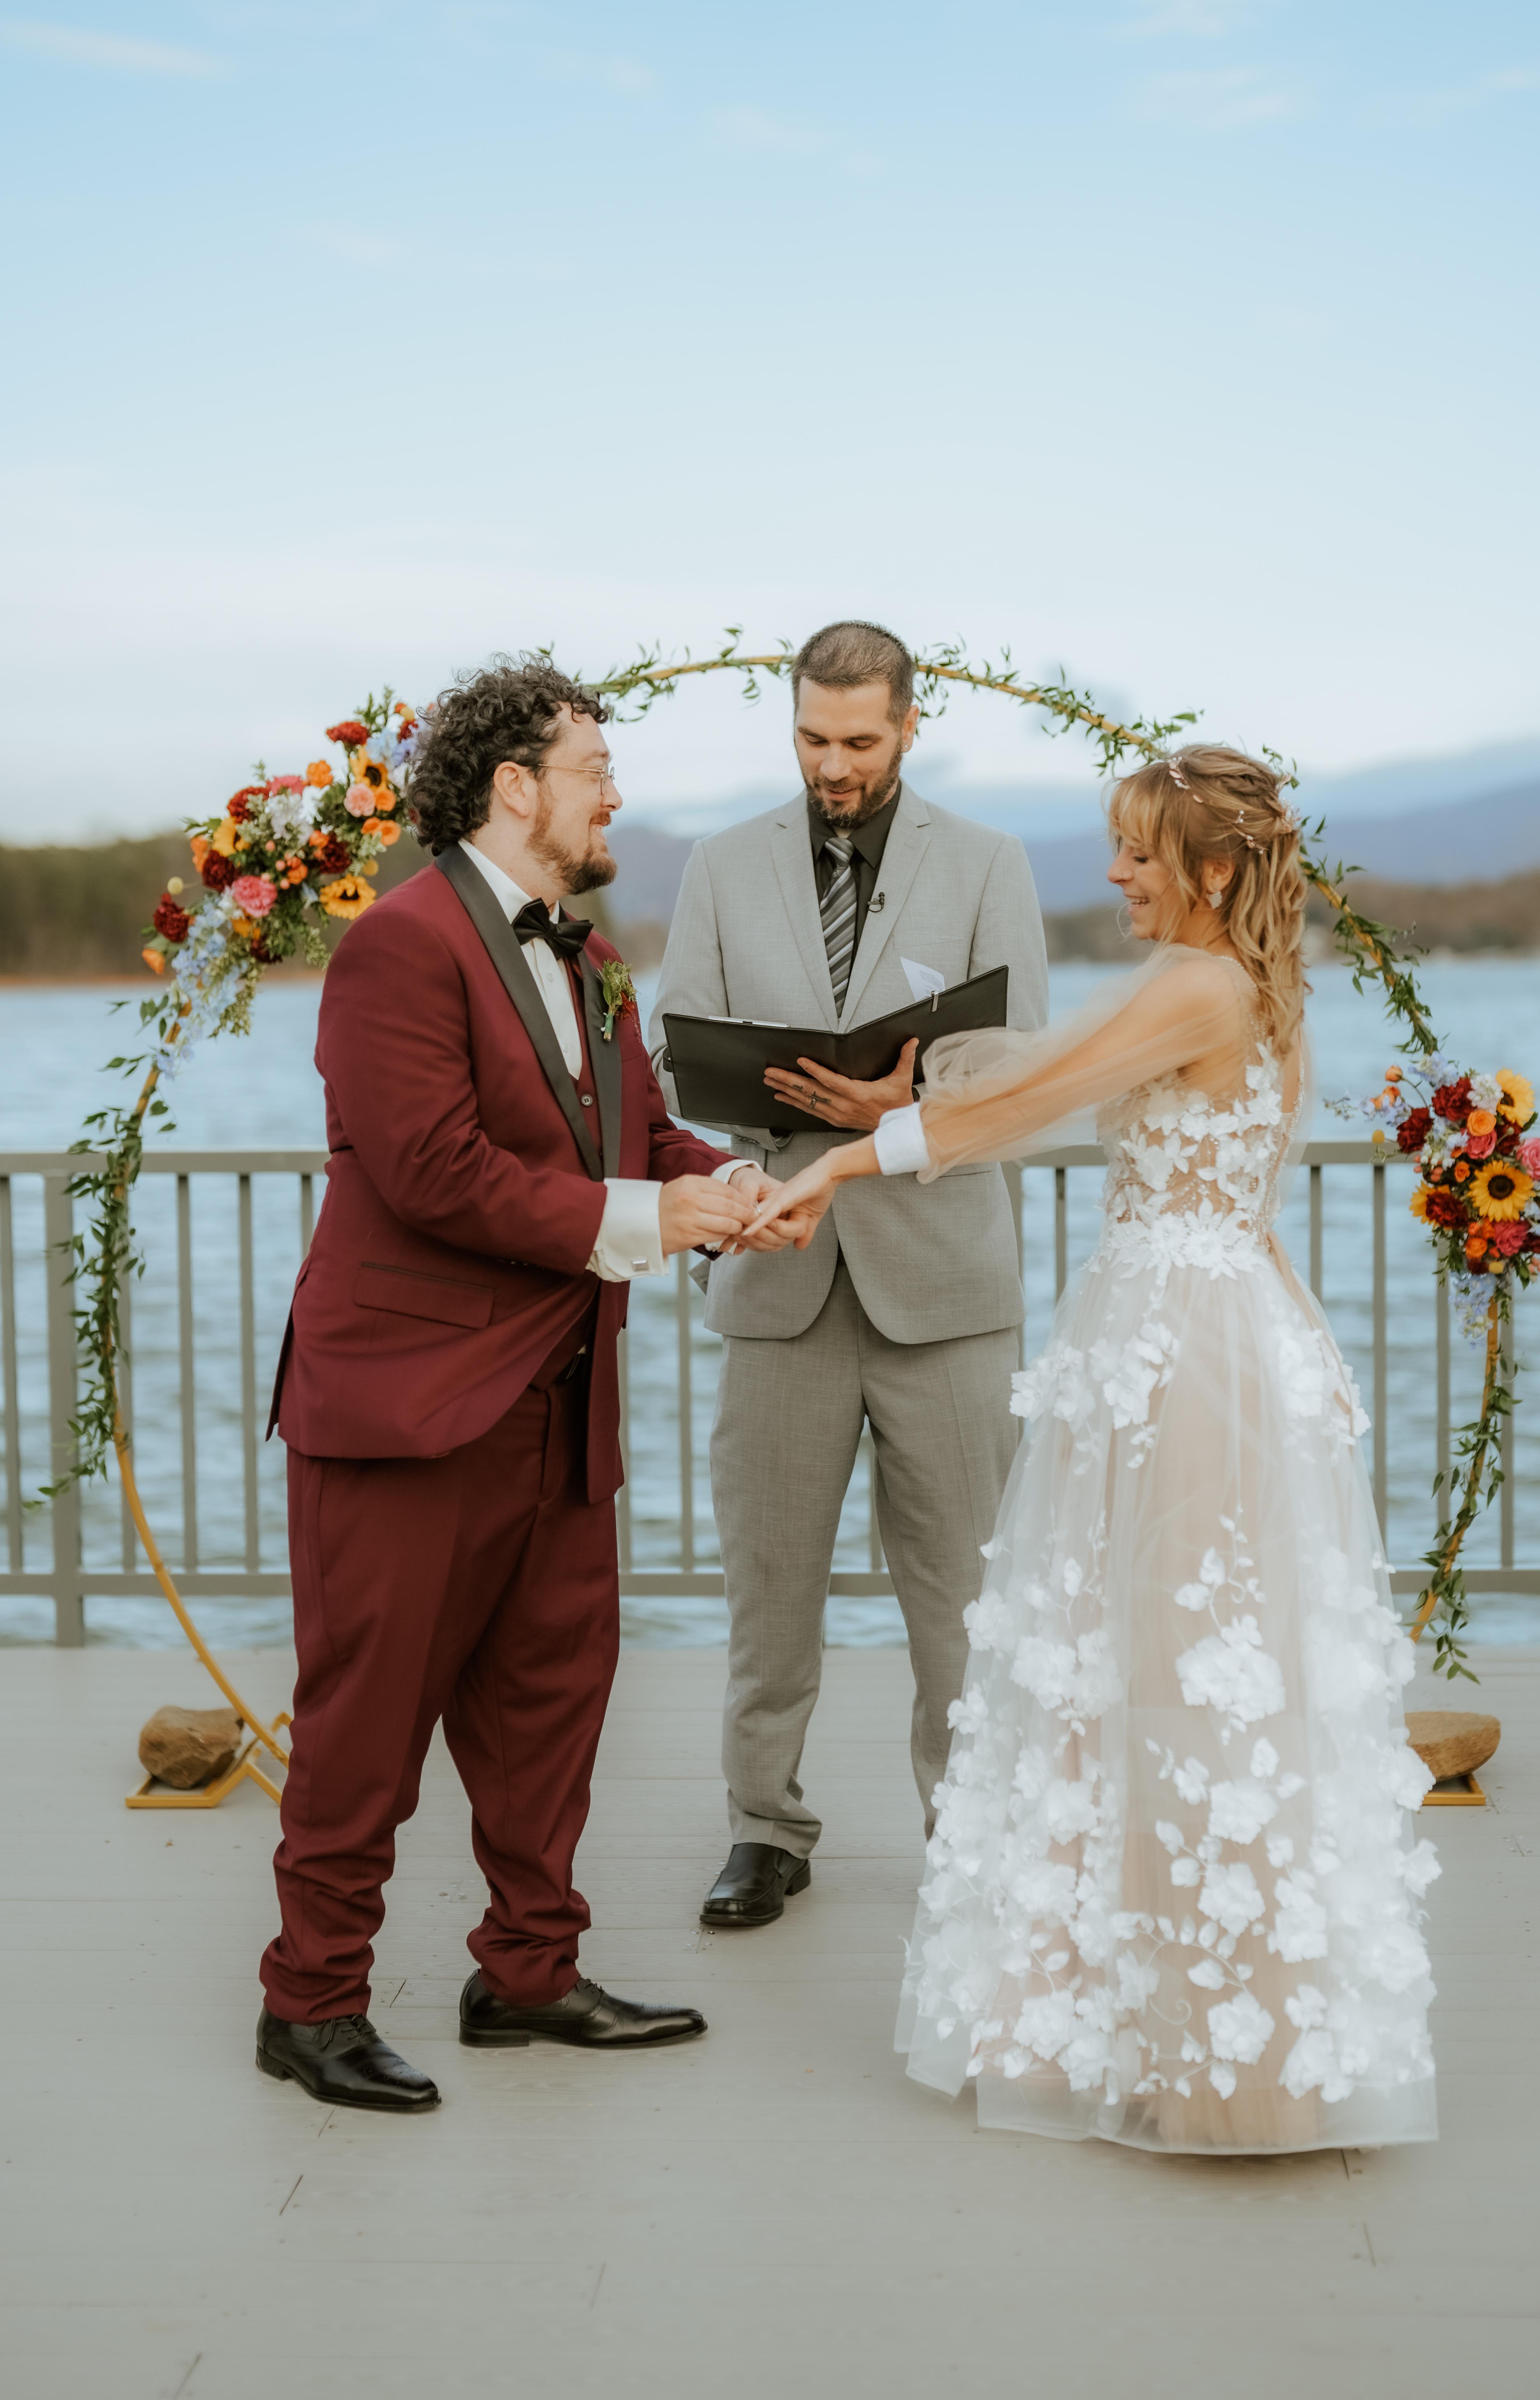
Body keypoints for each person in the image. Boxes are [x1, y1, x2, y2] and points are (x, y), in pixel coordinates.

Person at [742, 745, 1439, 2155]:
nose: (1115, 873)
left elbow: (1021, 1104)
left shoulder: (1198, 988)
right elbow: (1044, 1082)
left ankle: (1216, 2054)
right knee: (1154, 1659)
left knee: (1175, 1666)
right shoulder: (1250, 985)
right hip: (1198, 1327)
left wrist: (842, 1160)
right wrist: (906, 1106)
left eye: (1137, 851)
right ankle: (1144, 2017)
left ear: (1214, 868)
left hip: (1178, 1350)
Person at [257, 656, 802, 2112]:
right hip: (408, 1407)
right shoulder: (397, 945)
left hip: (559, 1398)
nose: (614, 794)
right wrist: (649, 1218)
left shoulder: (587, 952)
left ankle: (529, 1974)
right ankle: (309, 2004)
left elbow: (636, 1134)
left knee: (551, 1703)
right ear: (515, 787)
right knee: (367, 1723)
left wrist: (728, 1187)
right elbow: (431, 1170)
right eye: (593, 771)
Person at [649, 620, 1048, 1931]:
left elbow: (1022, 1070)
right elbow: (673, 1058)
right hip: (780, 1271)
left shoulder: (988, 863)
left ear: (909, 727)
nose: (834, 764)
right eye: (813, 739)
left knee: (965, 1597)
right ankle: (764, 1830)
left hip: (945, 1284)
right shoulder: (719, 865)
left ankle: (972, 1833)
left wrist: (908, 1100)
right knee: (768, 1589)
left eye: (860, 741)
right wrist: (757, 1105)